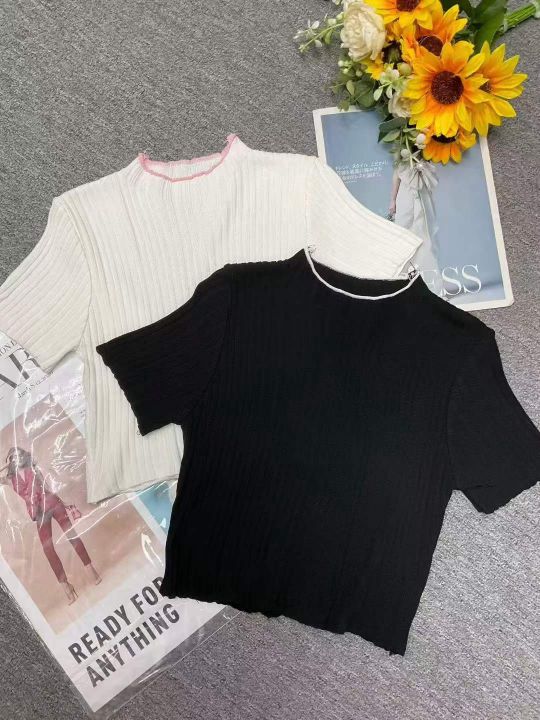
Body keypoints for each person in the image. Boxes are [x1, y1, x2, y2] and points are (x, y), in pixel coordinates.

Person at [0, 446, 101, 604]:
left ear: (23, 456)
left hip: (52, 502)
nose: (16, 459)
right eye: (12, 457)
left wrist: (65, 503)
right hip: (38, 513)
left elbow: (47, 485)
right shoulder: (10, 479)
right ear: (9, 461)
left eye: (18, 455)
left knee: (72, 535)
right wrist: (6, 466)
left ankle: (90, 569)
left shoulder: (33, 467)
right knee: (48, 549)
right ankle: (66, 586)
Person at [389, 162, 440, 287]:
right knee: (403, 235)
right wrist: (393, 200)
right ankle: (404, 281)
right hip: (405, 194)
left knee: (425, 235)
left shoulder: (424, 153)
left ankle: (430, 283)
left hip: (422, 194)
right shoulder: (400, 156)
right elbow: (396, 174)